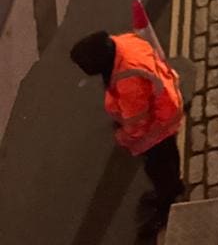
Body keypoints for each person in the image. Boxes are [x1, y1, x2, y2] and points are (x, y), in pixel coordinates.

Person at [70, 29, 185, 229]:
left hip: (159, 122)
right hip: (166, 102)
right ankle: (173, 187)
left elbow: (138, 122)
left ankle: (167, 204)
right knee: (168, 156)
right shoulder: (122, 43)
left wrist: (125, 136)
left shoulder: (127, 79)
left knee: (158, 166)